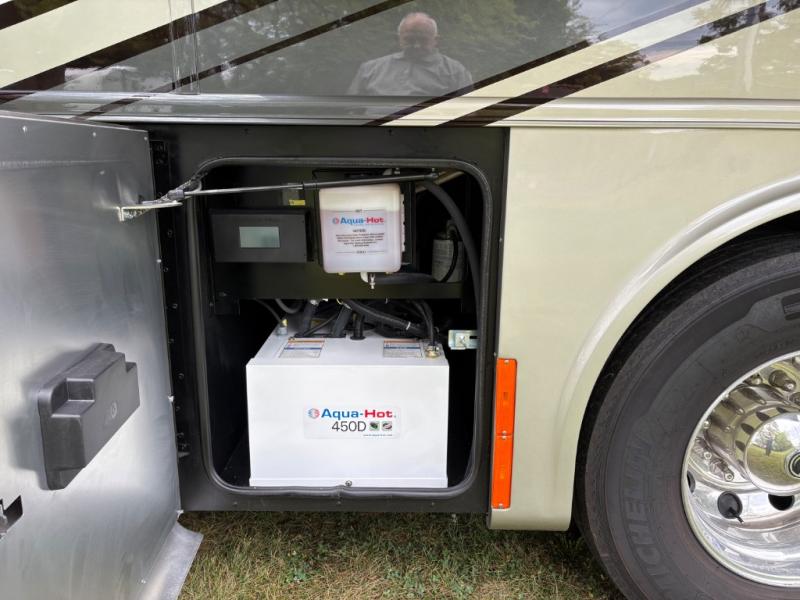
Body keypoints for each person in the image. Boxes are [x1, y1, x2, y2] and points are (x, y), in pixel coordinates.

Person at [347, 12, 473, 96]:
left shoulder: (455, 72)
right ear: (399, 39)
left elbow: (468, 113)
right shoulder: (370, 69)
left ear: (436, 40)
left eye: (423, 40)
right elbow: (349, 109)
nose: (416, 45)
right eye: (410, 40)